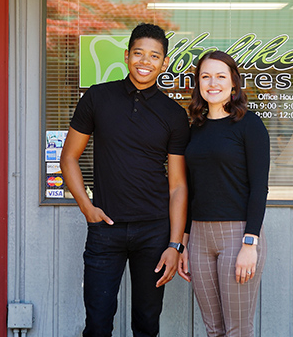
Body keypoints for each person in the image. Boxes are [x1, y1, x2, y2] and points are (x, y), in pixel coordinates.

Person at [60, 23, 190, 337]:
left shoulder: (173, 114)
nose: (145, 61)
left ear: (164, 63)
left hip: (154, 232)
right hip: (105, 230)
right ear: (126, 56)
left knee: (146, 324)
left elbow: (178, 186)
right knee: (98, 322)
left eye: (154, 56)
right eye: (138, 53)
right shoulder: (98, 97)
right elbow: (68, 158)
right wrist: (87, 208)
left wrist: (175, 245)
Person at [178, 50, 270, 337]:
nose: (212, 82)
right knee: (213, 329)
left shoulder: (249, 125)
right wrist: (183, 241)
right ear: (198, 84)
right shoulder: (195, 128)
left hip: (237, 235)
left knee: (237, 330)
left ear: (233, 83)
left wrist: (249, 244)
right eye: (205, 76)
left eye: (220, 76)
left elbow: (259, 187)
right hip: (200, 237)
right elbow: (192, 189)